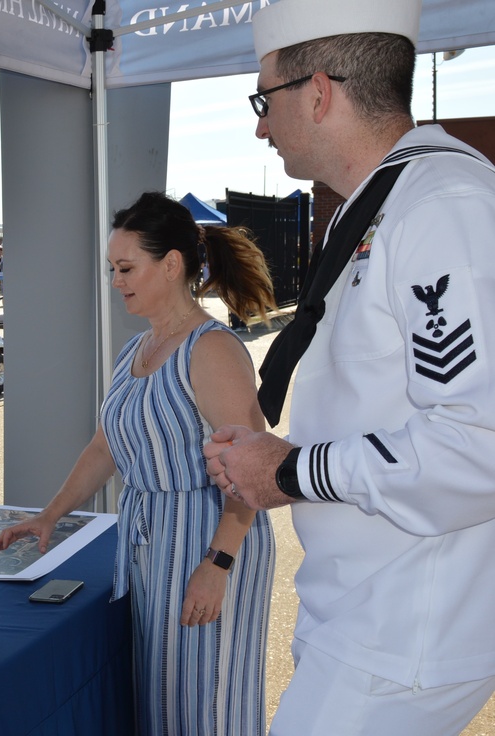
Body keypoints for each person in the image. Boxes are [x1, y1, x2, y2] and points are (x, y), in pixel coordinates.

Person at [202, 1, 495, 733]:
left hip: (403, 635)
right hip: (365, 615)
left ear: (319, 92)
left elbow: (480, 444)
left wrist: (288, 471)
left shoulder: (440, 206)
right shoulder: (388, 205)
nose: (260, 124)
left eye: (262, 99)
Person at [0, 192, 278, 735]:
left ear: (171, 264)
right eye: (112, 270)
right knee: (166, 704)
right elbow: (105, 448)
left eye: (126, 268)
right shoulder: (137, 349)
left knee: (209, 706)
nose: (117, 280)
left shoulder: (211, 348)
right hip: (151, 546)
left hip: (209, 540)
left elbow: (250, 473)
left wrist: (216, 566)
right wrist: (50, 515)